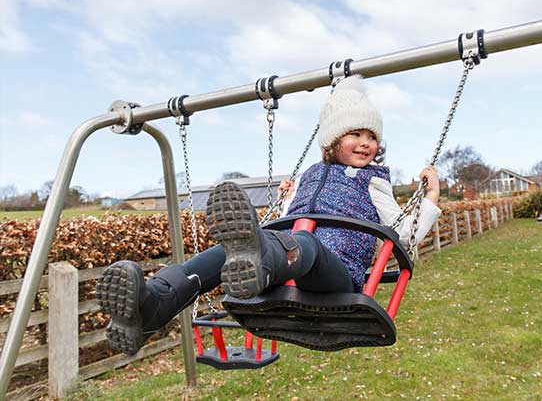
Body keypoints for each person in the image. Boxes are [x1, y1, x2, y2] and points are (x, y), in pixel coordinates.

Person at [96, 75, 441, 355]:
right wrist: (289, 199)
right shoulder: (310, 175)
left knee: (303, 243)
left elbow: (405, 233)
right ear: (333, 139)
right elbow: (293, 218)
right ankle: (154, 303)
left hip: (337, 279)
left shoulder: (374, 183)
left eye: (372, 137)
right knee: (224, 254)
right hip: (289, 264)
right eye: (356, 134)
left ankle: (259, 262)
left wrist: (431, 199)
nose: (366, 143)